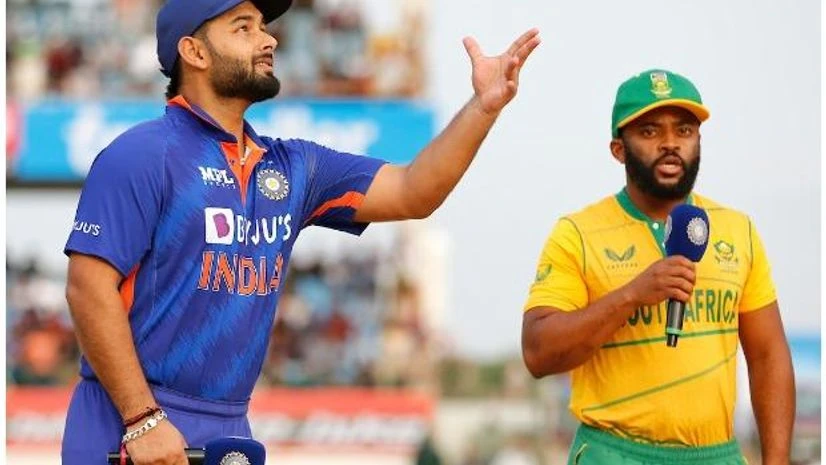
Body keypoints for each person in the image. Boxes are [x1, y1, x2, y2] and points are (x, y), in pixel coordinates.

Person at [60, 0, 540, 464]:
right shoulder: (141, 155)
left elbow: (414, 191)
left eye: (263, 27)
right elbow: (87, 288)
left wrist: (483, 106)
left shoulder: (294, 167)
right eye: (243, 27)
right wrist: (142, 418)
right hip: (128, 420)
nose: (268, 39)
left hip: (227, 426)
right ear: (195, 52)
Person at [521, 69, 795, 465]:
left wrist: (776, 461)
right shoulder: (577, 233)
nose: (670, 144)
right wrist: (633, 295)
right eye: (650, 132)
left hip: (715, 455)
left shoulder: (739, 231)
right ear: (619, 149)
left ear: (698, 141)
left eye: (684, 131)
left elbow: (768, 354)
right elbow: (538, 352)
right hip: (615, 452)